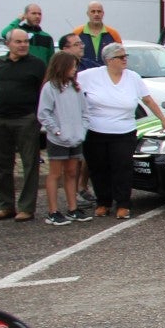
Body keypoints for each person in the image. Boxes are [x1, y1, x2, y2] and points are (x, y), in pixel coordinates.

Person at [76, 42, 165, 219]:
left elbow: (148, 100)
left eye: (125, 56)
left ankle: (123, 203)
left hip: (124, 132)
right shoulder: (90, 76)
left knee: (122, 168)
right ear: (109, 60)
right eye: (120, 57)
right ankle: (103, 202)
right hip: (95, 131)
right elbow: (69, 85)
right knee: (98, 168)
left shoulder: (133, 77)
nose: (124, 60)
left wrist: (164, 122)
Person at [0, 29, 47, 222]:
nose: (23, 45)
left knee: (30, 164)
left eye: (25, 41)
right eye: (18, 42)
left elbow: (44, 91)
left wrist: (37, 116)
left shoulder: (37, 65)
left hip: (26, 119)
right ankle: (6, 206)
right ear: (8, 44)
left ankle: (26, 208)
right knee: (1, 164)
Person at [36, 51, 91, 225]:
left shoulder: (76, 88)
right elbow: (43, 114)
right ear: (62, 66)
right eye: (72, 66)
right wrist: (57, 131)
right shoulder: (50, 87)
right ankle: (53, 211)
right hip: (58, 139)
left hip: (75, 138)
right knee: (55, 174)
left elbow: (85, 112)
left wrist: (81, 131)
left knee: (72, 172)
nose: (75, 70)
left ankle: (73, 208)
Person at [56, 33, 94, 206]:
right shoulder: (58, 69)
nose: (82, 46)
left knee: (87, 156)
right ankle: (72, 195)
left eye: (81, 43)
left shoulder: (89, 66)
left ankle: (82, 187)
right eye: (77, 44)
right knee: (71, 161)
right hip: (67, 121)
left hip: (86, 118)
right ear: (65, 49)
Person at [72, 1, 123, 71]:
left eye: (99, 11)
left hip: (107, 74)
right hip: (83, 73)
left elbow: (121, 55)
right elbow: (71, 55)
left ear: (103, 13)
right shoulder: (77, 33)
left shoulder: (113, 33)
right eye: (93, 11)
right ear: (87, 13)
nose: (96, 14)